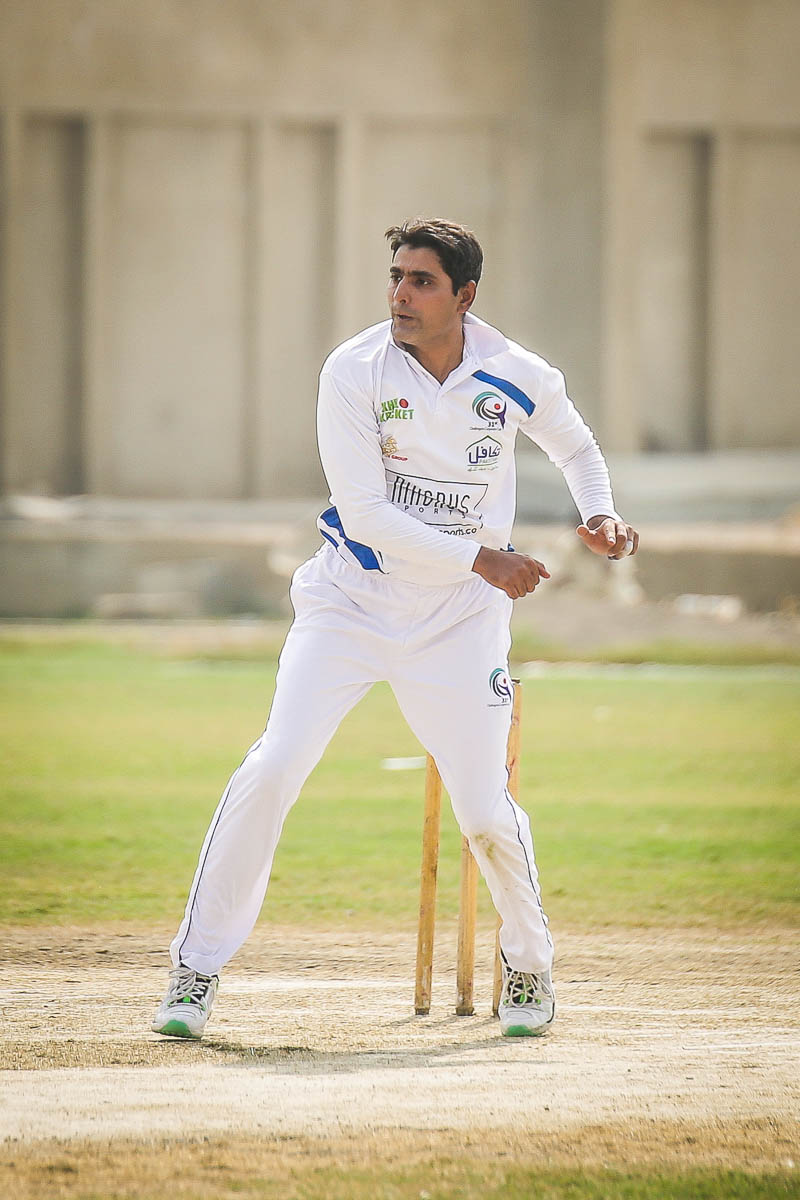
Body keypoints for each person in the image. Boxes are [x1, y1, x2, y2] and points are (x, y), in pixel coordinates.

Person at [153, 218, 638, 1041]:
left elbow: (577, 447)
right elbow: (367, 514)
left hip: (459, 619)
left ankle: (529, 966)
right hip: (351, 602)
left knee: (483, 811)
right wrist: (484, 557)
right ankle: (194, 969)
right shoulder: (354, 370)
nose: (400, 295)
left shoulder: (515, 372)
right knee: (274, 767)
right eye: (396, 277)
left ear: (465, 295)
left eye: (421, 281)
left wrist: (600, 514)